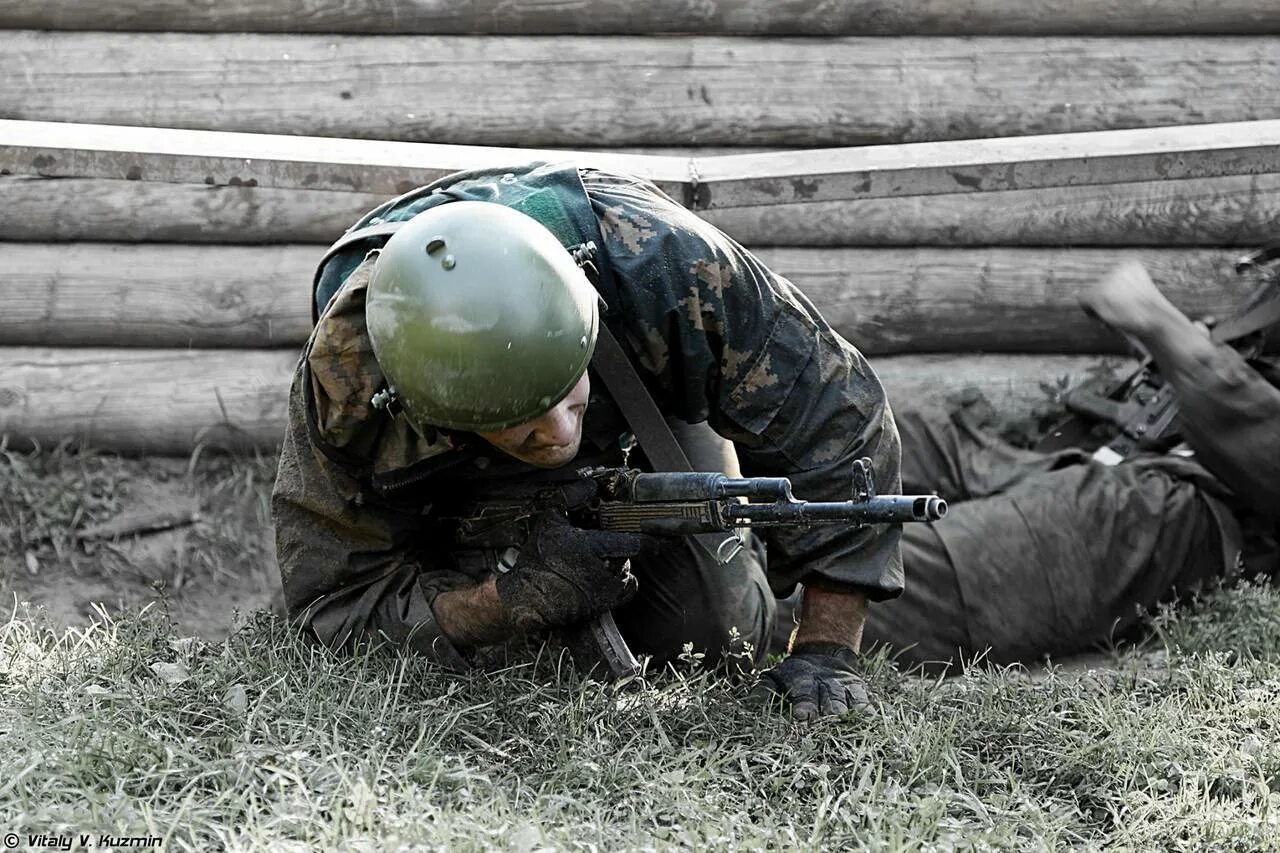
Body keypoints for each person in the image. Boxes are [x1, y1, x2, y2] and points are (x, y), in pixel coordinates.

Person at [272, 162, 905, 720]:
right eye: (524, 422)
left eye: (567, 393)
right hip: (459, 485)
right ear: (433, 417)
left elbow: (840, 422)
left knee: (718, 633)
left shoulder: (667, 268)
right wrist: (503, 601)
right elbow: (333, 606)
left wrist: (828, 648)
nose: (560, 434)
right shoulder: (350, 389)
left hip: (640, 402)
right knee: (499, 668)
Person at [851, 259, 1280, 671]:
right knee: (884, 434)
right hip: (1087, 458)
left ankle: (796, 609)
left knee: (941, 566)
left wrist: (1164, 328)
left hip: (1177, 510)